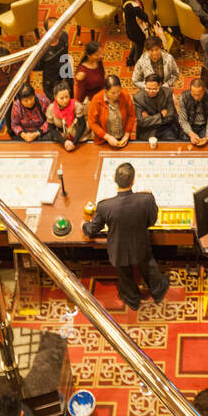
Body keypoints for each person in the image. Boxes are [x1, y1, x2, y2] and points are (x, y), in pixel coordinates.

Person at [82, 161, 169, 310]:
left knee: (124, 277)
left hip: (118, 250)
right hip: (140, 245)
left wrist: (84, 225)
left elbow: (92, 230)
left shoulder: (104, 206)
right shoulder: (146, 198)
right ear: (133, 180)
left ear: (115, 180)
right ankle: (158, 290)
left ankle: (132, 300)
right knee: (149, 267)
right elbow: (152, 220)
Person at [134, 75, 179, 142]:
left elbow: (170, 116)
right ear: (145, 85)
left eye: (154, 89)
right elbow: (141, 122)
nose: (151, 91)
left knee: (171, 144)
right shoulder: (138, 98)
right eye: (148, 88)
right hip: (148, 129)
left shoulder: (168, 93)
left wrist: (149, 118)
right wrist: (161, 115)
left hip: (165, 127)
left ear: (159, 85)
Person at [177, 77, 208, 146]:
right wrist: (191, 133)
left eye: (199, 94)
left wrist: (207, 137)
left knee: (206, 146)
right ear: (190, 91)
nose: (196, 97)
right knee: (185, 146)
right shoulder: (183, 97)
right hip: (190, 124)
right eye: (194, 94)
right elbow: (183, 120)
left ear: (204, 90)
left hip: (204, 125)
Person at [122, 0, 150, 67]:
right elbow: (145, 17)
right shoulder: (134, 7)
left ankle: (130, 61)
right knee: (139, 50)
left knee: (136, 45)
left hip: (130, 30)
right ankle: (137, 65)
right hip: (137, 32)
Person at [47, 81, 81, 151]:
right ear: (55, 97)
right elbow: (51, 128)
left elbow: (82, 125)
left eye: (67, 97)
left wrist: (74, 143)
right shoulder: (51, 108)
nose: (65, 100)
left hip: (78, 137)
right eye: (61, 98)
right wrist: (64, 142)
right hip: (61, 138)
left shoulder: (77, 105)